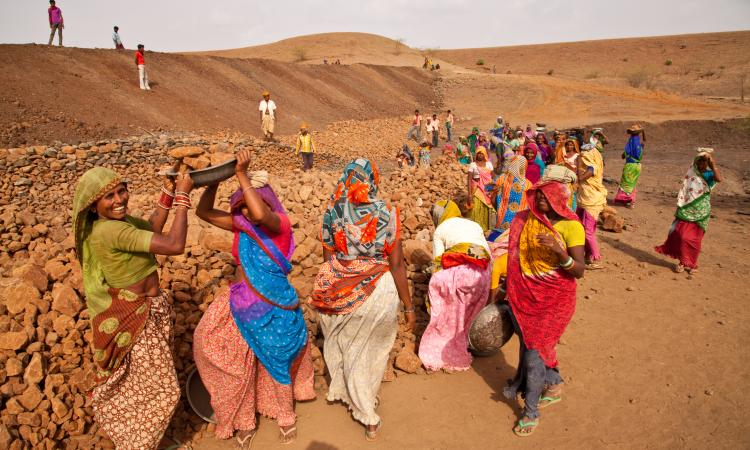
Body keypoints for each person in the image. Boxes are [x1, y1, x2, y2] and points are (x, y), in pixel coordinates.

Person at [194, 151, 315, 446]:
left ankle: (285, 416)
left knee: (276, 361)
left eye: (251, 204)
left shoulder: (279, 225)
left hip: (273, 308)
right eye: (241, 206)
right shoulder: (242, 226)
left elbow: (261, 215)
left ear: (268, 202)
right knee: (225, 354)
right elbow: (204, 213)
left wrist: (241, 173)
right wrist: (213, 181)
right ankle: (244, 419)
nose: (247, 212)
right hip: (240, 305)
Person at [72, 167, 194, 448]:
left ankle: (150, 439)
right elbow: (174, 245)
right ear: (93, 206)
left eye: (121, 191)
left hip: (147, 311)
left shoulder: (121, 223)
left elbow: (151, 229)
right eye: (109, 197)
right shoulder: (110, 231)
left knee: (145, 384)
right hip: (136, 318)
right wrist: (183, 197)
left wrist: (168, 192)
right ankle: (138, 444)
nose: (119, 200)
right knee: (164, 390)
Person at [311, 159, 415, 441]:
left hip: (341, 288)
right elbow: (397, 265)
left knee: (348, 347)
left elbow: (327, 260)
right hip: (379, 291)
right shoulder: (388, 213)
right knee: (371, 351)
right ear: (373, 180)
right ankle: (367, 410)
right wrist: (409, 306)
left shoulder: (332, 212)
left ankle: (352, 395)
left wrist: (338, 283)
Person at [502, 178, 586, 437]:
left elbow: (579, 271)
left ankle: (530, 412)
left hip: (554, 300)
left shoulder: (572, 226)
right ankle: (554, 384)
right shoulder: (524, 220)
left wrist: (560, 253)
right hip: (525, 295)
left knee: (533, 354)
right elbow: (514, 256)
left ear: (559, 200)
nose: (540, 201)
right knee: (531, 347)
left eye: (546, 197)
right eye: (538, 196)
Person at [418, 200, 491, 371]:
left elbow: (438, 261)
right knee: (468, 310)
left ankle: (442, 348)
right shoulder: (474, 224)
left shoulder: (440, 230)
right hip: (482, 274)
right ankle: (467, 340)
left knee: (446, 309)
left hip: (459, 275)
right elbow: (487, 252)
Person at [655, 148, 722, 274]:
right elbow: (685, 191)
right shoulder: (692, 174)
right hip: (687, 210)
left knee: (694, 239)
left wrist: (713, 165)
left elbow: (719, 179)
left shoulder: (709, 174)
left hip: (701, 212)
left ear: (707, 163)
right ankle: (682, 261)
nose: (702, 164)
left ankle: (692, 264)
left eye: (704, 162)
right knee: (681, 235)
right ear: (696, 162)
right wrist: (680, 205)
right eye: (700, 161)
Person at [576, 143, 608, 267]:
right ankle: (588, 255)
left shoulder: (592, 168)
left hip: (591, 201)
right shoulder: (589, 166)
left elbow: (580, 178)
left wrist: (578, 164)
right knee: (580, 226)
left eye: (584, 158)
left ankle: (596, 259)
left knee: (588, 231)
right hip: (585, 199)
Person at [489, 155, 530, 241]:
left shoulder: (502, 179)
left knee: (497, 243)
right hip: (519, 224)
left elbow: (493, 197)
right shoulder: (528, 184)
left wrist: (499, 209)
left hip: (502, 221)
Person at [614, 125, 645, 208]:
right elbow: (642, 145)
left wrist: (625, 155)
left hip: (630, 166)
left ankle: (629, 201)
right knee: (632, 183)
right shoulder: (638, 142)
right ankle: (630, 201)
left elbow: (624, 154)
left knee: (627, 183)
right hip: (637, 166)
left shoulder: (631, 142)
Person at [466, 147, 496, 232]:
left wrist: (488, 179)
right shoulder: (473, 165)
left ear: (485, 154)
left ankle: (486, 229)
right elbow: (469, 179)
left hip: (487, 190)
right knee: (476, 209)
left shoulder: (489, 164)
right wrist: (469, 194)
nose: (480, 155)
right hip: (477, 189)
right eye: (478, 153)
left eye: (482, 153)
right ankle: (476, 229)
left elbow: (493, 176)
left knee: (487, 208)